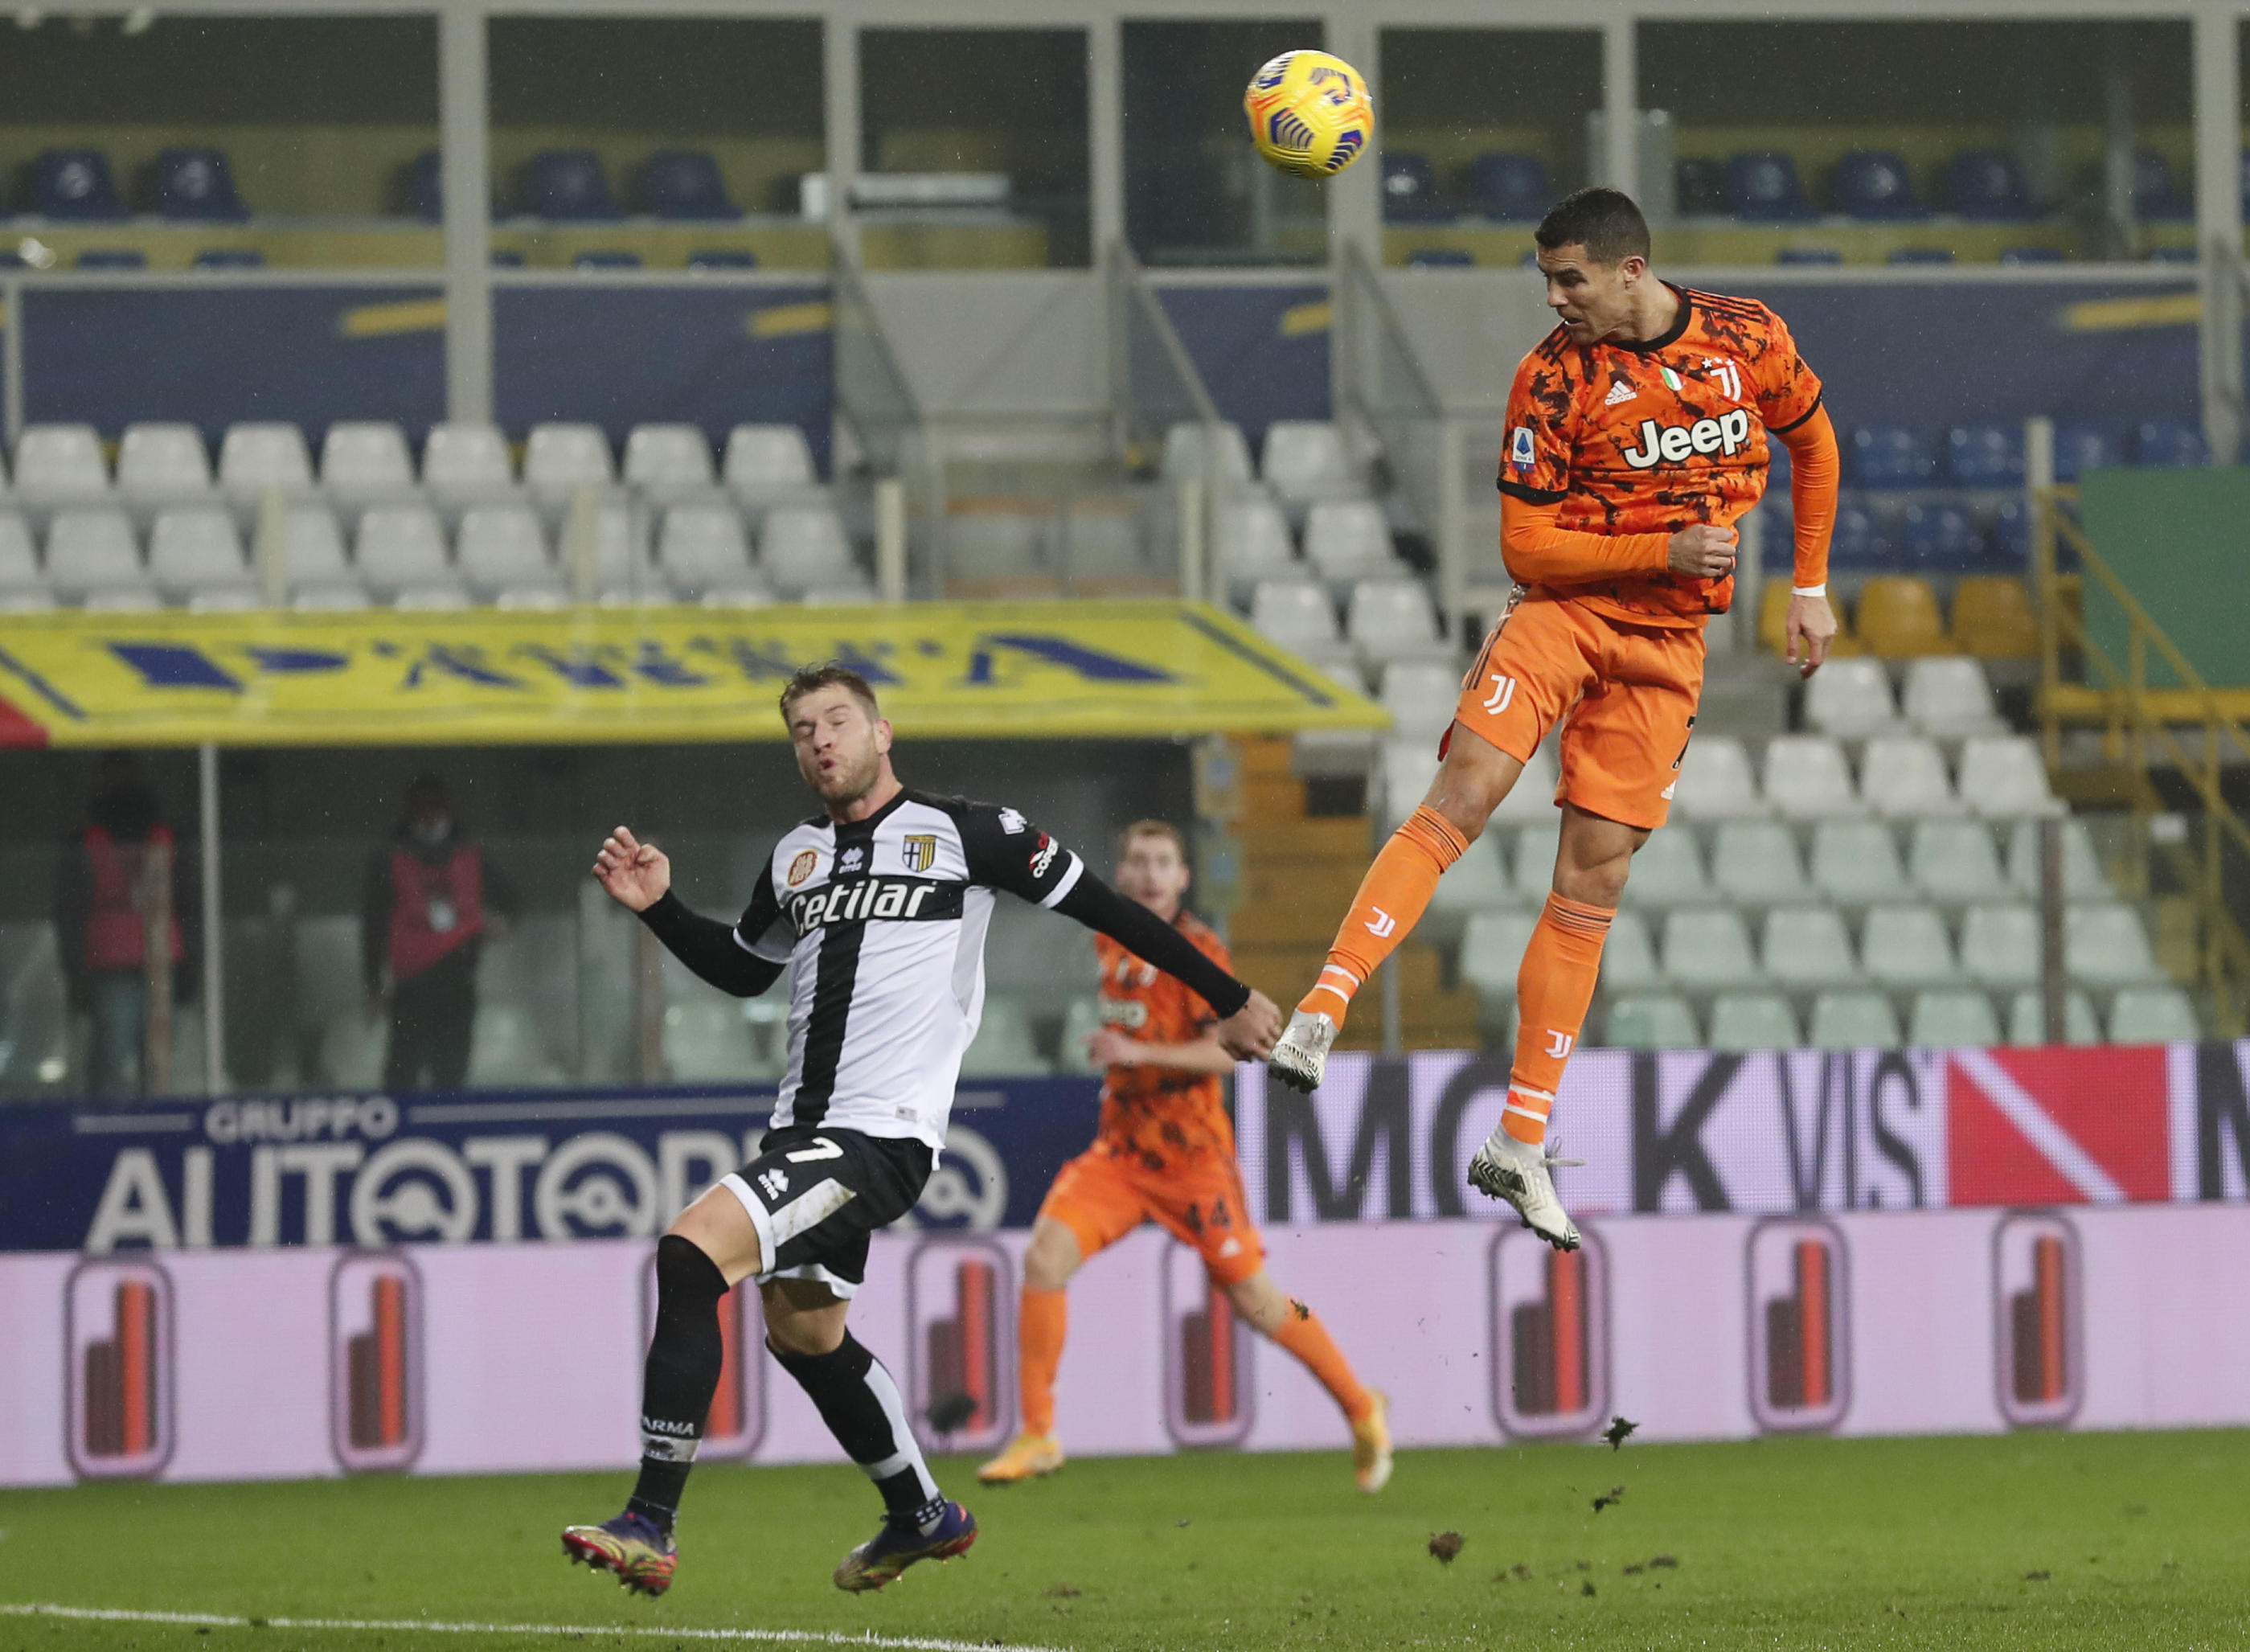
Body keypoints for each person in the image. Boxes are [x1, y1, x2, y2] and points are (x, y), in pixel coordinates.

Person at [562, 664, 1281, 1599]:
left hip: (880, 1135)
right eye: (801, 731)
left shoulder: (969, 833)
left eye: (836, 722)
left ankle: (651, 1523)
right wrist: (659, 907)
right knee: (805, 1334)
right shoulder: (795, 860)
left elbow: (1102, 904)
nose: (820, 741)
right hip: (805, 1135)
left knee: (692, 1256)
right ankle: (920, 1513)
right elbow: (745, 971)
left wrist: (1227, 1000)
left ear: (881, 732)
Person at [1267, 187, 1840, 1250]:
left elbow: (1814, 443)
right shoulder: (1551, 378)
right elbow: (1527, 549)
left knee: (1597, 876)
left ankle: (1520, 1138)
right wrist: (1659, 551)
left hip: (1668, 650)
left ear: (1631, 270)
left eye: (1569, 277)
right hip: (1566, 615)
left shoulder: (1747, 337)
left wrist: (1809, 582)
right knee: (1467, 791)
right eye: (1547, 278)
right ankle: (1322, 1010)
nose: (1553, 296)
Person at [977, 821, 1390, 1493]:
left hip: (1193, 1159)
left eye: (1161, 862)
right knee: (1044, 1257)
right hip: (1121, 1152)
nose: (1146, 874)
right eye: (1136, 861)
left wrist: (1139, 1054)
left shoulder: (1199, 950)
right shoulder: (1109, 935)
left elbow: (1226, 1053)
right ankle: (1039, 1433)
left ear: (1183, 878)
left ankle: (1361, 1406)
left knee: (1256, 1298)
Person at [359, 775, 518, 1092]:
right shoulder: (391, 856)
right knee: (403, 1073)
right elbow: (374, 923)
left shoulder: (470, 851)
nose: (429, 813)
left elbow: (512, 901)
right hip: (411, 983)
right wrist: (373, 983)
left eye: (435, 805)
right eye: (422, 806)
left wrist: (500, 923)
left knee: (451, 1072)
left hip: (458, 976)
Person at [52, 756, 198, 1097]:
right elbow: (70, 915)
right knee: (118, 1060)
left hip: (153, 960)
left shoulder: (165, 834)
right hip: (115, 965)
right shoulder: (90, 839)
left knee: (149, 1060)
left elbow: (191, 904)